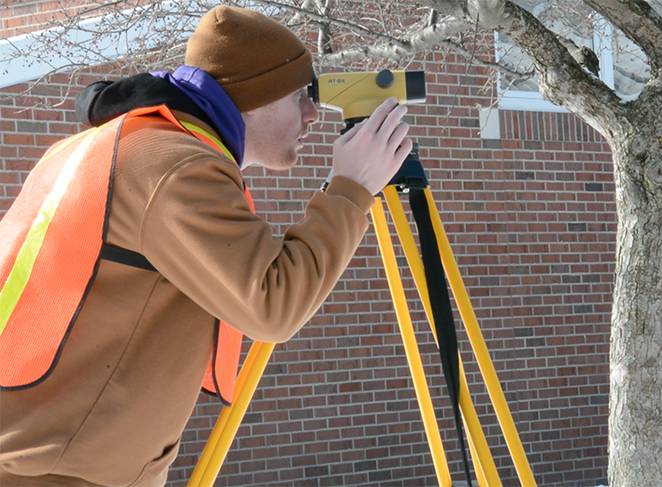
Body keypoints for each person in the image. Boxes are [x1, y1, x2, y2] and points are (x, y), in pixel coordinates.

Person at [0, 5, 412, 487]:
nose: (312, 113)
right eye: (298, 95)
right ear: (253, 98)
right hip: (59, 471)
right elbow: (271, 304)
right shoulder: (174, 165)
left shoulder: (122, 144)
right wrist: (351, 189)